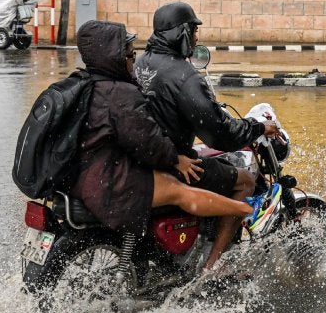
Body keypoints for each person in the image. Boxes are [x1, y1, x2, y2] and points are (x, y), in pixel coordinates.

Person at [71, 19, 254, 239]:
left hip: (87, 172)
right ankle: (216, 262)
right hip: (109, 177)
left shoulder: (83, 84)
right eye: (130, 56)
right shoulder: (122, 92)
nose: (133, 62)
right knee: (211, 185)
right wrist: (176, 159)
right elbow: (146, 140)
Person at [134, 1, 281, 272]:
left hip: (143, 158)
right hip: (173, 163)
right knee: (245, 181)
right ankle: (213, 267)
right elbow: (219, 134)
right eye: (193, 31)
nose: (196, 37)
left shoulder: (140, 62)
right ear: (180, 33)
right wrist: (257, 127)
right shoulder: (184, 76)